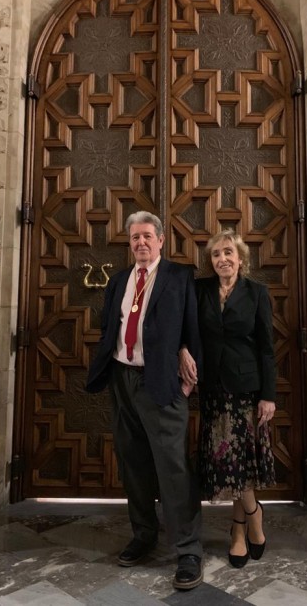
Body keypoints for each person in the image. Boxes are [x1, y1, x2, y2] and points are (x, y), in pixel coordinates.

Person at [85, 211, 203, 590]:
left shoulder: (180, 277)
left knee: (172, 467)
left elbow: (192, 327)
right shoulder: (119, 280)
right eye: (135, 237)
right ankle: (143, 534)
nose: (141, 243)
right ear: (129, 242)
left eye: (148, 236)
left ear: (161, 240)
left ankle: (187, 550)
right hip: (123, 379)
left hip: (162, 383)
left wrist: (186, 354)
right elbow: (110, 326)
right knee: (132, 461)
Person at [179, 229, 276, 569]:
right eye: (217, 254)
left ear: (240, 258)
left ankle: (244, 525)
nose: (222, 259)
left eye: (228, 253)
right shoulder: (200, 290)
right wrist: (183, 350)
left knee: (240, 462)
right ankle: (250, 517)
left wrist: (268, 396)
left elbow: (266, 349)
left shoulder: (257, 293)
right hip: (213, 390)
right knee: (230, 464)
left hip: (246, 391)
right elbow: (186, 328)